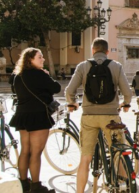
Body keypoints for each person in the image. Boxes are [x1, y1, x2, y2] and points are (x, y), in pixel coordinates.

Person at [65, 38, 132, 193]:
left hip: (89, 117)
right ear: (107, 52)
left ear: (93, 50)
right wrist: (126, 103)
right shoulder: (116, 66)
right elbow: (127, 92)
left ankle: (80, 191)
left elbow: (69, 91)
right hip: (111, 117)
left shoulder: (83, 66)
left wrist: (72, 103)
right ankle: (122, 188)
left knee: (85, 158)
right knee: (118, 155)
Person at [10, 48, 61, 193]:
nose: (42, 59)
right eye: (39, 57)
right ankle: (36, 186)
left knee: (25, 150)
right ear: (30, 59)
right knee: (36, 153)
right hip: (38, 115)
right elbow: (56, 88)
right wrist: (47, 75)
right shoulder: (39, 74)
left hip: (22, 115)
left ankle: (24, 183)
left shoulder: (18, 76)